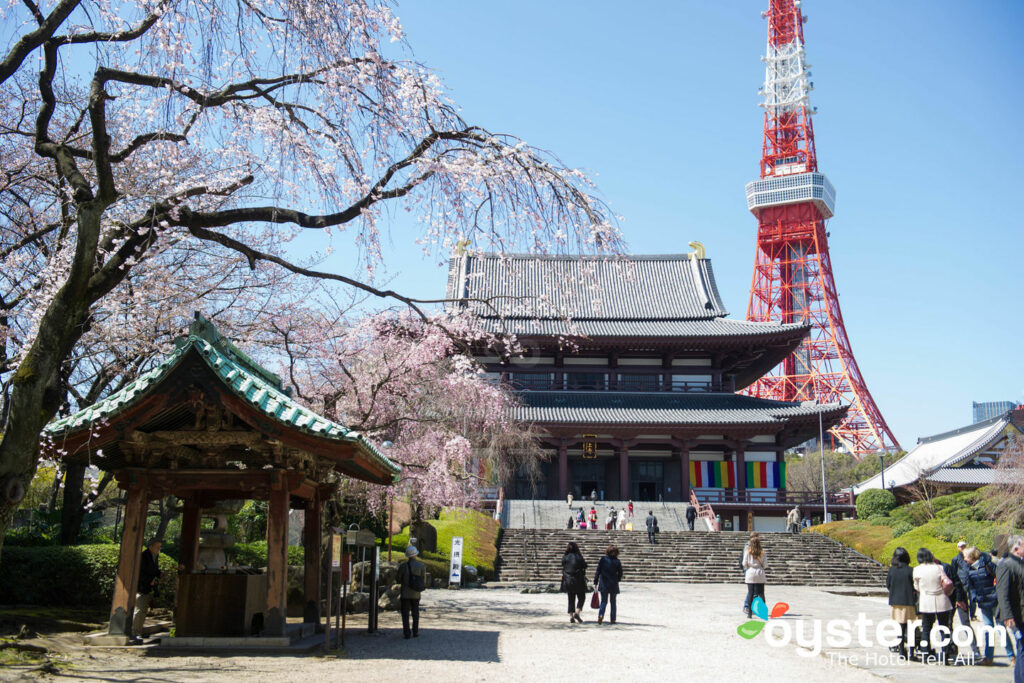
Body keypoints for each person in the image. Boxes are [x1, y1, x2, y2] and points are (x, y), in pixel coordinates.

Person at [963, 546, 1014, 666]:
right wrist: (974, 597)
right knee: (988, 629)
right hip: (983, 601)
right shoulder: (969, 569)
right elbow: (971, 586)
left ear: (971, 557)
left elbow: (1000, 579)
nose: (964, 559)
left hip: (995, 600)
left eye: (966, 556)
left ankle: (1012, 656)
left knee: (1001, 628)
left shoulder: (988, 564)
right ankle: (989, 657)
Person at [912, 547, 953, 662]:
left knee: (926, 628)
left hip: (926, 601)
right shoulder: (939, 567)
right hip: (941, 599)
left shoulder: (917, 570)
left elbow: (916, 587)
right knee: (944, 627)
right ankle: (945, 653)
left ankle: (925, 653)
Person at [995, 534, 1024, 678]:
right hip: (1017, 614)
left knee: (1022, 648)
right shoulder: (1006, 564)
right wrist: (1007, 615)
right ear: (1017, 548)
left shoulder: (1019, 563)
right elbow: (1002, 592)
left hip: (1020, 612)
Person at [950, 540, 981, 660]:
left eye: (964, 546)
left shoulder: (969, 561)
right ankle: (952, 648)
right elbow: (953, 578)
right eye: (960, 546)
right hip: (957, 594)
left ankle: (975, 649)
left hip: (964, 592)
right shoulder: (955, 560)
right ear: (958, 547)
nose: (962, 548)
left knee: (965, 623)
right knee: (949, 623)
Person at [885, 547, 917, 659]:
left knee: (900, 627)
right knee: (911, 627)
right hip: (909, 601)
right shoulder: (911, 570)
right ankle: (912, 651)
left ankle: (902, 651)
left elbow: (888, 585)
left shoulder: (892, 570)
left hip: (896, 602)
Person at [131, 538, 162, 642]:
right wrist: (149, 581)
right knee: (139, 610)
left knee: (143, 611)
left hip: (147, 588)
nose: (159, 549)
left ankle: (139, 631)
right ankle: (134, 632)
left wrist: (160, 574)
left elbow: (154, 570)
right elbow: (139, 572)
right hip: (141, 586)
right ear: (151, 546)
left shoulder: (154, 557)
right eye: (157, 547)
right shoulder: (144, 557)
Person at [398, 545, 427, 639]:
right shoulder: (421, 566)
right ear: (416, 554)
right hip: (416, 593)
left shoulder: (403, 566)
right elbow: (423, 580)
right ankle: (415, 631)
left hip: (405, 592)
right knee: (415, 612)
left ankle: (406, 633)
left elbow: (398, 578)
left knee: (405, 613)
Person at [594, 544, 623, 625]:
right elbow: (620, 573)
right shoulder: (617, 561)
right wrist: (618, 579)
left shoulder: (603, 559)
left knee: (604, 601)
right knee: (613, 602)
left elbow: (598, 571)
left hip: (604, 582)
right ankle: (613, 619)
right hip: (613, 583)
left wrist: (595, 581)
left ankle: (601, 615)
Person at [561, 542, 588, 624]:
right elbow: (584, 565)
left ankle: (571, 616)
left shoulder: (565, 557)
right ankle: (577, 612)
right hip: (578, 579)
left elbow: (563, 565)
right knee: (582, 597)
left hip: (568, 580)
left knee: (571, 598)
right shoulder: (579, 557)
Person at [742, 535, 767, 619]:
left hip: (750, 573)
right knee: (761, 593)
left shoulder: (748, 552)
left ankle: (749, 613)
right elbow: (765, 565)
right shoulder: (762, 552)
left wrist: (749, 566)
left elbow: (744, 563)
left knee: (750, 593)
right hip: (760, 572)